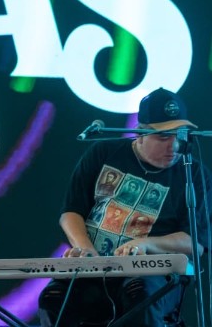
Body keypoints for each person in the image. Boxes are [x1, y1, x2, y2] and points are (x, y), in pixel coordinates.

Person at [38, 88, 212, 327]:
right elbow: (71, 211)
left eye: (178, 135)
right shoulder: (103, 152)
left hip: (152, 274)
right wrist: (85, 249)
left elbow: (196, 242)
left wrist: (146, 244)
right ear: (140, 133)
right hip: (95, 269)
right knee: (53, 298)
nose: (174, 146)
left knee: (139, 293)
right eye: (163, 137)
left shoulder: (193, 172)